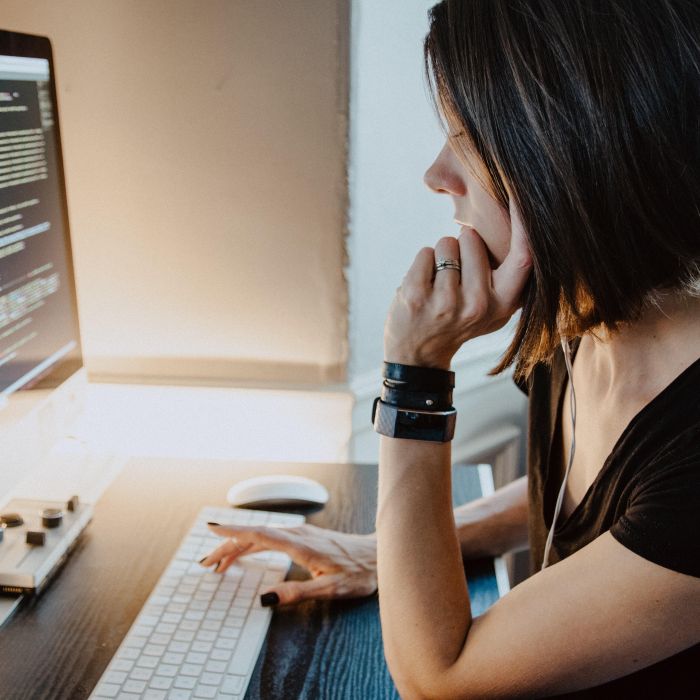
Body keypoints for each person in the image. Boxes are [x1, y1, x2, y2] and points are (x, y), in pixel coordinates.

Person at [201, 0, 700, 696]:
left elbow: (439, 677)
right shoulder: (582, 332)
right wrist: (386, 555)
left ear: (574, 154)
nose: (438, 173)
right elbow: (614, 507)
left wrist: (416, 373)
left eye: (467, 137)